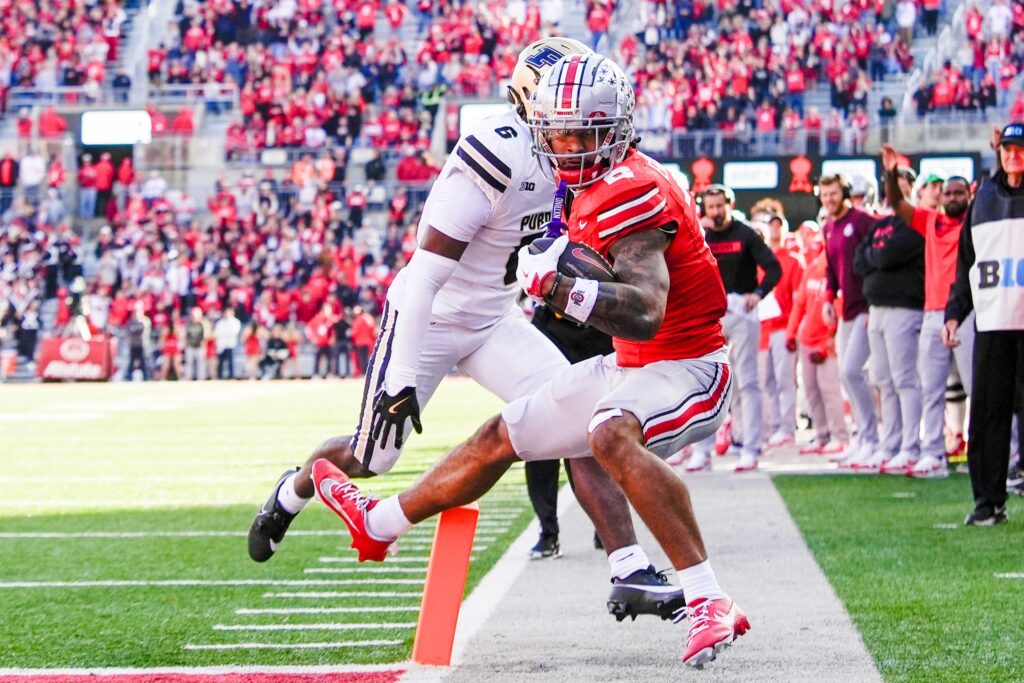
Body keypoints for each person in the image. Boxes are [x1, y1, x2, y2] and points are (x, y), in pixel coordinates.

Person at [311, 54, 748, 668]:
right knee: (502, 433)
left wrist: (560, 288)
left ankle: (708, 598)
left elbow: (646, 311)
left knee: (608, 432)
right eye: (555, 132)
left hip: (690, 367)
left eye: (579, 134)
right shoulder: (590, 185)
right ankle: (380, 523)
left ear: (614, 129)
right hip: (633, 367)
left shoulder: (632, 188)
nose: (563, 146)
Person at [247, 41, 685, 623]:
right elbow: (425, 275)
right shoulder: (495, 151)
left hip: (496, 319)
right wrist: (400, 379)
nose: (577, 133)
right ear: (531, 106)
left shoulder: (571, 155)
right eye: (563, 116)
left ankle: (628, 569)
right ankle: (292, 492)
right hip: (431, 316)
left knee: (582, 418)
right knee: (372, 457)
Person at [945, 123, 1024, 525]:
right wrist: (954, 312)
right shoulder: (984, 199)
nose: (1013, 155)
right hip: (993, 321)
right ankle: (988, 501)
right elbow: (967, 262)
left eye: (1020, 148)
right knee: (988, 414)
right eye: (1007, 148)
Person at [881, 144, 973, 478]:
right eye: (947, 192)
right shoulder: (931, 220)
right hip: (933, 312)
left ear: (969, 195)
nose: (952, 197)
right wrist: (891, 173)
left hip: (968, 312)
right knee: (930, 389)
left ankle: (991, 452)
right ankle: (933, 453)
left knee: (978, 388)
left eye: (958, 192)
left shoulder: (975, 222)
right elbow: (897, 204)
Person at [684, 184, 781, 473]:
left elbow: (774, 267)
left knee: (748, 381)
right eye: (710, 206)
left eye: (719, 206)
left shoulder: (746, 233)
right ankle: (702, 451)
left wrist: (759, 293)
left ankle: (751, 448)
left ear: (730, 205)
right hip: (709, 314)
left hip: (741, 311)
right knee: (705, 383)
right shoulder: (700, 233)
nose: (715, 212)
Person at [852, 182, 925, 473]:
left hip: (904, 308)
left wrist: (876, 255)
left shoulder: (914, 224)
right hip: (876, 309)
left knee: (904, 379)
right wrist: (876, 255)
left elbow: (884, 256)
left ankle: (911, 446)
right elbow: (859, 260)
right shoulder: (881, 225)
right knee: (882, 380)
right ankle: (890, 444)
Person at [819, 175, 881, 466]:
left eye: (833, 193)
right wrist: (829, 298)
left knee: (852, 371)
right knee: (847, 376)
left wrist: (874, 302)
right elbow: (831, 270)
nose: (829, 199)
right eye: (825, 195)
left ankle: (871, 438)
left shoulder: (863, 220)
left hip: (867, 307)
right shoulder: (828, 227)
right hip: (847, 309)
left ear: (844, 193)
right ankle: (863, 437)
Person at [787, 223, 849, 454]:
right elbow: (800, 304)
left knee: (830, 391)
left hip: (827, 340)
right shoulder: (812, 269)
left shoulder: (839, 271)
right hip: (807, 339)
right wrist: (791, 332)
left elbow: (840, 308)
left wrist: (829, 341)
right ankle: (822, 435)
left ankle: (840, 436)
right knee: (812, 391)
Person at [213, 307, 241, 379]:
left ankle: (231, 377)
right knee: (220, 362)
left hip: (230, 345)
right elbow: (217, 333)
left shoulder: (235, 322)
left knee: (230, 362)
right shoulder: (220, 323)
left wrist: (225, 332)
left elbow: (234, 332)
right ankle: (219, 377)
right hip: (221, 345)